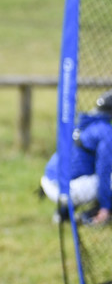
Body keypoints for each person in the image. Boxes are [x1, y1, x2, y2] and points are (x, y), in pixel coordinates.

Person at [42, 91, 112, 223]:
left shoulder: (83, 123)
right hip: (67, 189)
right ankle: (92, 217)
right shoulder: (106, 132)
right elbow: (104, 171)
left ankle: (63, 213)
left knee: (82, 167)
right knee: (109, 178)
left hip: (48, 181)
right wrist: (105, 207)